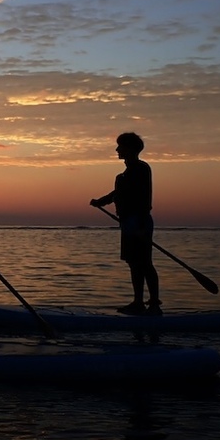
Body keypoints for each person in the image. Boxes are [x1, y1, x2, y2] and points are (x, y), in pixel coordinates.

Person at [90, 132, 161, 316]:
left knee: (144, 263)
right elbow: (117, 193)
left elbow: (138, 198)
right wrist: (101, 201)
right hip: (129, 223)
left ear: (130, 149)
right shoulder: (124, 174)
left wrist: (138, 226)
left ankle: (154, 304)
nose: (117, 150)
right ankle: (138, 302)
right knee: (133, 263)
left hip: (139, 222)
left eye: (120, 146)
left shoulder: (141, 168)